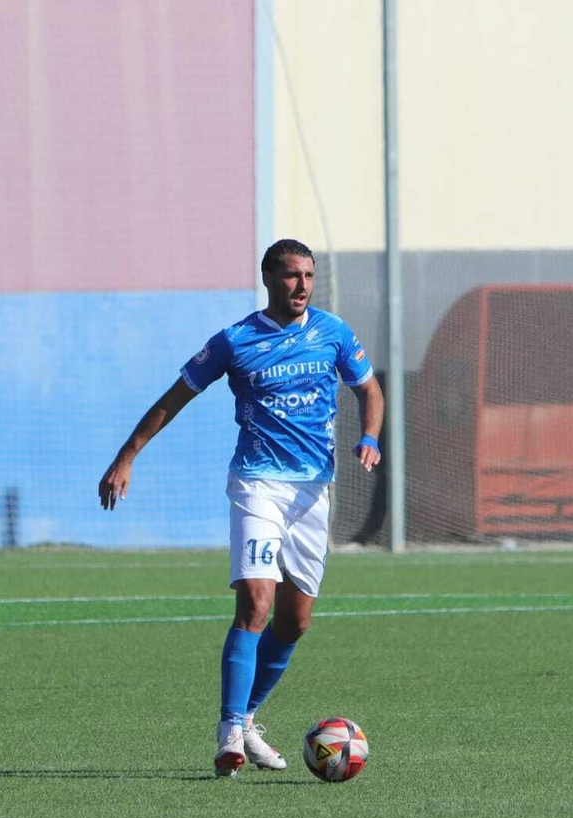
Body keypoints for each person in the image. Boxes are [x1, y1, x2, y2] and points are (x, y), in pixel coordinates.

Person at [99, 239, 384, 776]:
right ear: (269, 278)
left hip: (312, 492)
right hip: (257, 486)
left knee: (295, 622)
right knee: (256, 603)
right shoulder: (235, 341)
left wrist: (370, 436)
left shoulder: (333, 333)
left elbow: (370, 391)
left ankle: (248, 719)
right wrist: (127, 455)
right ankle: (229, 730)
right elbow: (174, 397)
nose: (302, 286)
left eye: (309, 276)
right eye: (292, 275)